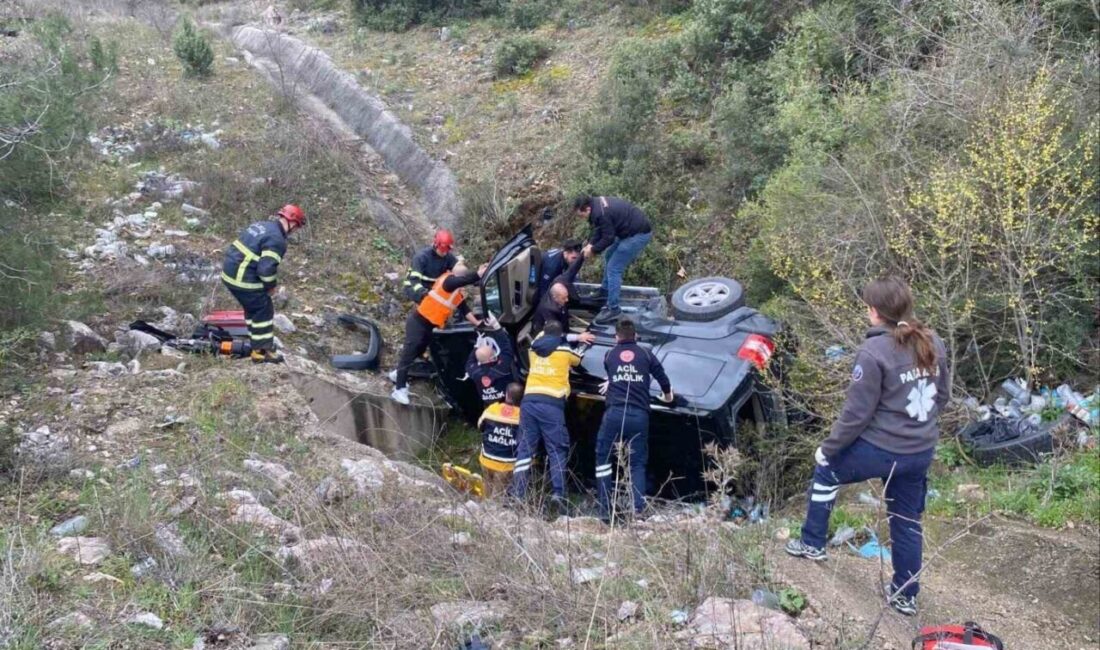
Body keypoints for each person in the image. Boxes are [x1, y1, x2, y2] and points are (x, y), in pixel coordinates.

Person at [785, 276, 949, 617]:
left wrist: (829, 448)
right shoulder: (934, 342)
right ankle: (906, 594)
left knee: (827, 472)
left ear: (874, 312)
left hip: (881, 450)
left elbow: (857, 414)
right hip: (920, 452)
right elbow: (942, 397)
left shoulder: (873, 352)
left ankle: (812, 543)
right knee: (906, 519)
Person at [595, 318, 673, 523]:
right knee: (637, 463)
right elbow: (663, 378)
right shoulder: (646, 353)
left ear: (616, 337)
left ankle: (605, 509)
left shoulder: (609, 354)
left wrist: (613, 380)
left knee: (603, 457)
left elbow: (613, 372)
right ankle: (637, 510)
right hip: (639, 415)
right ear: (635, 336)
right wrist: (668, 396)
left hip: (614, 413)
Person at [510, 320, 584, 516]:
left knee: (525, 449)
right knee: (556, 450)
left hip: (529, 401)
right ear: (559, 336)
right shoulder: (565, 352)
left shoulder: (533, 350)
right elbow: (579, 359)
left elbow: (541, 339)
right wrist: (576, 340)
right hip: (551, 404)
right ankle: (559, 495)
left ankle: (518, 494)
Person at [390, 261, 487, 405]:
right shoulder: (448, 281)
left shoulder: (456, 293)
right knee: (409, 352)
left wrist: (479, 324)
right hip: (418, 322)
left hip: (428, 326)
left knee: (418, 350)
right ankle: (399, 389)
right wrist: (477, 274)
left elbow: (465, 310)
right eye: (462, 279)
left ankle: (398, 374)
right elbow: (462, 280)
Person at [220, 204, 306, 364]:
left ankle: (256, 342)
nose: (295, 231)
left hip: (229, 273)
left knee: (252, 307)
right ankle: (261, 352)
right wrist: (270, 286)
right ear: (292, 223)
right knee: (263, 309)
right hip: (242, 277)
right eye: (297, 227)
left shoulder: (261, 225)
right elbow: (266, 269)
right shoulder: (277, 240)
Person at [574, 195, 652, 325]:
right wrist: (591, 244)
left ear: (587, 209)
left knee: (613, 269)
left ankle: (613, 309)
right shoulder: (596, 204)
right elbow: (601, 229)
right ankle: (604, 292)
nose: (582, 218)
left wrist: (593, 250)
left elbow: (608, 238)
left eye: (581, 215)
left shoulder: (600, 213)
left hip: (638, 235)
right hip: (627, 231)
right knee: (609, 255)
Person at [531, 249, 596, 346]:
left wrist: (582, 255)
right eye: (563, 298)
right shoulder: (548, 310)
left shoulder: (560, 282)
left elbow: (572, 270)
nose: (567, 300)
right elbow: (555, 335)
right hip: (549, 339)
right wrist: (578, 337)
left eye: (566, 297)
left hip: (563, 329)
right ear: (554, 297)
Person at [478, 382, 524, 496]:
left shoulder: (492, 408)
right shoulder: (524, 416)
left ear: (507, 395)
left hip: (486, 458)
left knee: (487, 487)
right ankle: (493, 511)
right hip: (505, 464)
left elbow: (480, 426)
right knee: (498, 495)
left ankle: (482, 508)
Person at [465, 316, 515, 406]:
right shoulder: (501, 368)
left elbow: (470, 361)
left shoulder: (474, 371)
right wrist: (496, 326)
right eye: (493, 352)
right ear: (492, 358)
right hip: (507, 405)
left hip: (489, 408)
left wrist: (476, 347)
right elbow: (506, 348)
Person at [403, 230, 458, 304]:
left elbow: (457, 269)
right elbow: (414, 280)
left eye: (447, 251)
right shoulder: (421, 257)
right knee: (431, 304)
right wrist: (424, 292)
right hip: (414, 287)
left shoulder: (448, 256)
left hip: (432, 288)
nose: (444, 253)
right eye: (442, 251)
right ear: (436, 245)